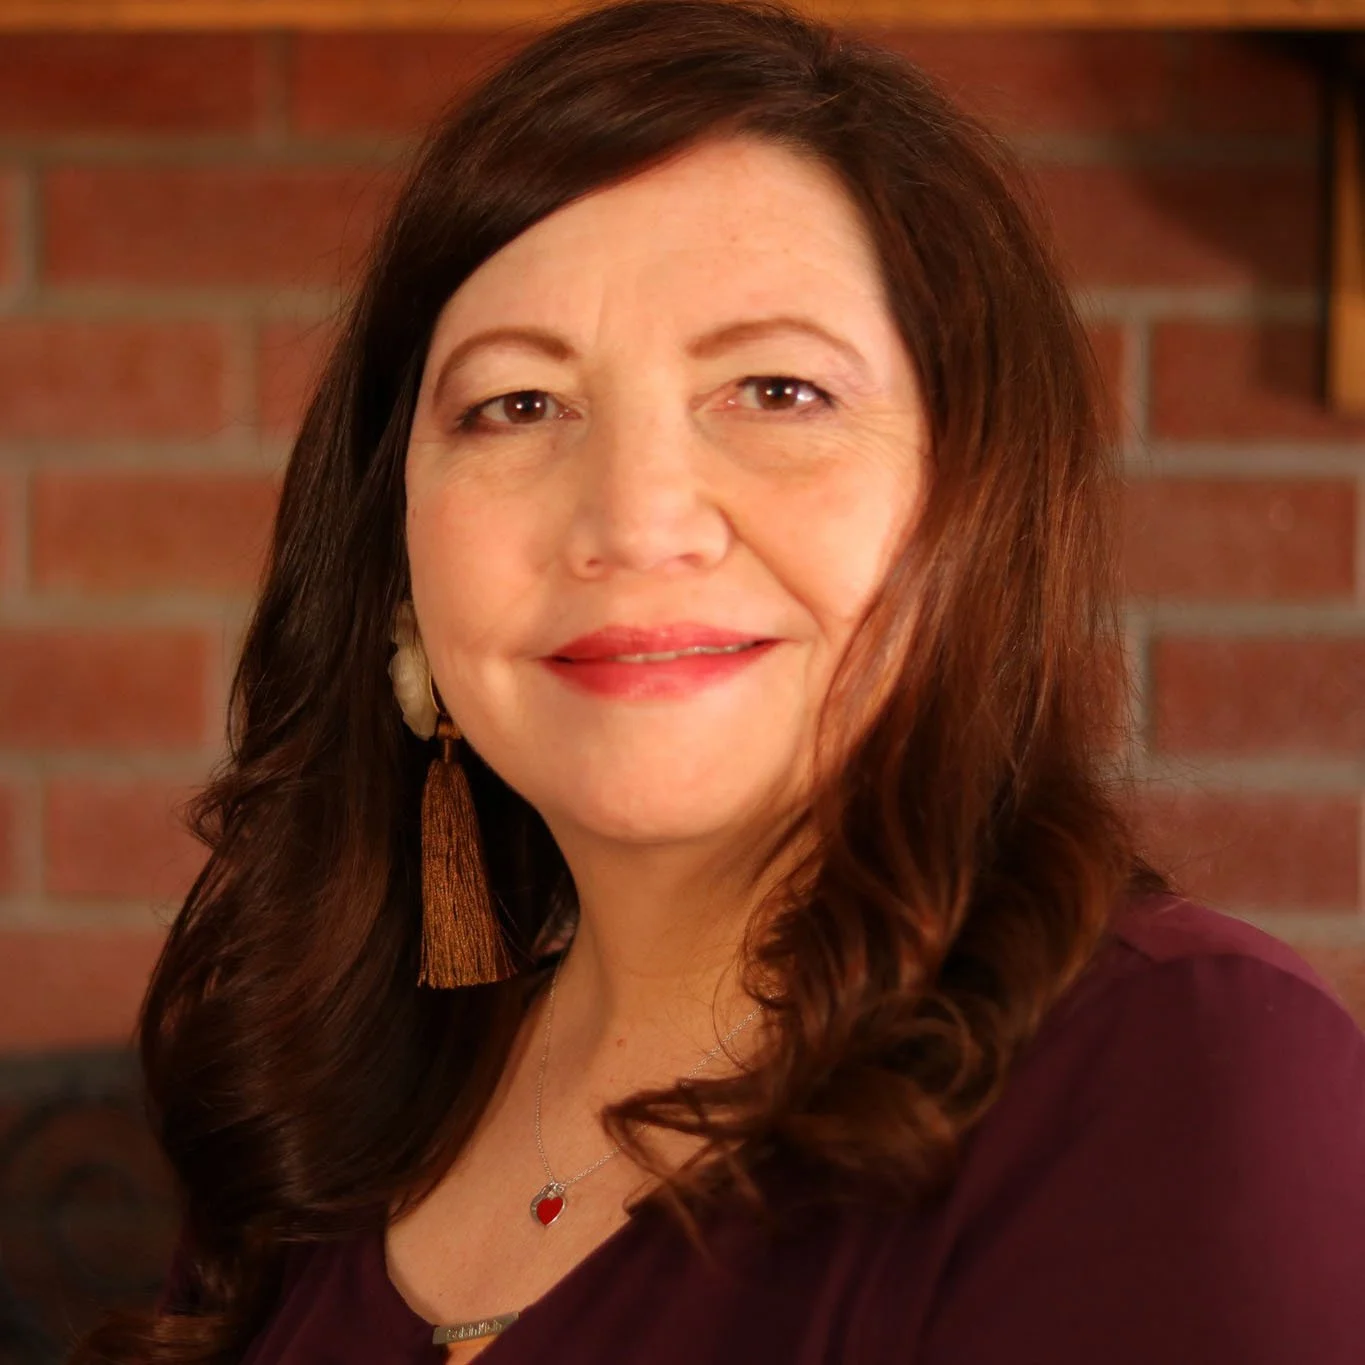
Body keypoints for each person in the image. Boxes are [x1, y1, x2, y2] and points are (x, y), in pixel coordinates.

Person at [70, 2, 1365, 1362]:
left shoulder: (1175, 1069)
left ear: (971, 502)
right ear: (397, 557)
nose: (632, 521)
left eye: (775, 391)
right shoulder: (316, 1101)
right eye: (517, 406)